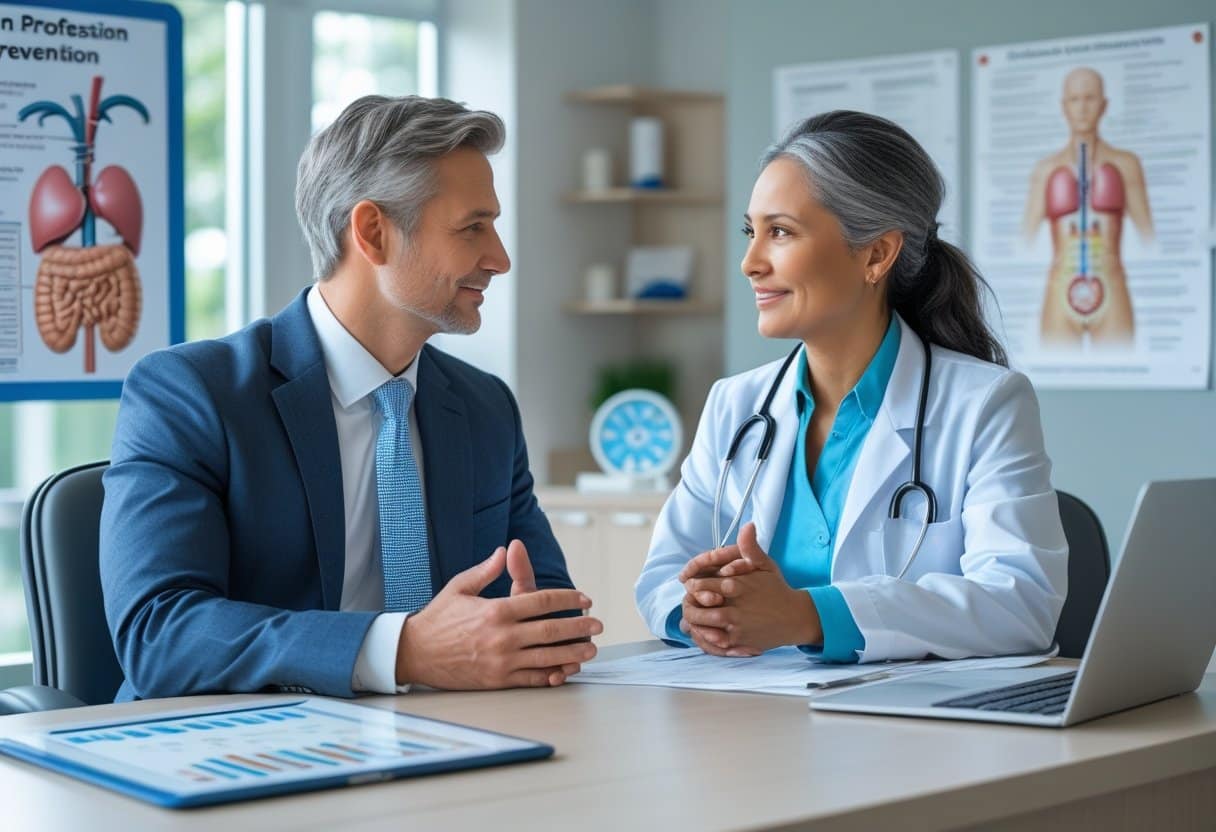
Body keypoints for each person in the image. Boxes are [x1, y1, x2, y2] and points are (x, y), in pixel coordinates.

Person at [100, 96, 601, 701]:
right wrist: (404, 649)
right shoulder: (191, 394)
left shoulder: (484, 407)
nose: (499, 258)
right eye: (473, 227)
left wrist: (537, 633)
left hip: (449, 742)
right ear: (372, 232)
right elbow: (159, 634)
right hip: (235, 753)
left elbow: (549, 615)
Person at [635, 111, 1067, 663]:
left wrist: (805, 615)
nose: (749, 262)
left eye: (781, 232)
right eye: (751, 231)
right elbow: (663, 576)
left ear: (876, 254)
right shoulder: (736, 406)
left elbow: (1021, 603)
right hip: (743, 717)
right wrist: (696, 609)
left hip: (903, 732)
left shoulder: (985, 405)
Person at [1022, 67, 1153, 345]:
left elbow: (1148, 234)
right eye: (1075, 99)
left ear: (1103, 105)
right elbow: (1026, 236)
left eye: (1090, 98)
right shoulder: (1046, 169)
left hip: (1112, 286)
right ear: (1064, 106)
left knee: (1120, 368)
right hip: (1059, 290)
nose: (1082, 108)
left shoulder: (1126, 164)